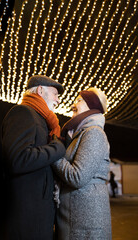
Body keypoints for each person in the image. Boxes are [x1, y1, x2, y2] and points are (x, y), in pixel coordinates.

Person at [1, 75, 66, 240]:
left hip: (37, 212)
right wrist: (57, 148)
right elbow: (17, 159)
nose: (58, 101)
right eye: (55, 94)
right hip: (26, 215)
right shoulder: (23, 112)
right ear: (40, 90)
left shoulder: (42, 120)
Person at [52, 87, 112, 240]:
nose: (73, 104)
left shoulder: (94, 133)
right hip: (76, 217)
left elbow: (78, 177)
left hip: (86, 222)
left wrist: (54, 154)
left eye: (79, 100)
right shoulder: (78, 134)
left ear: (91, 106)